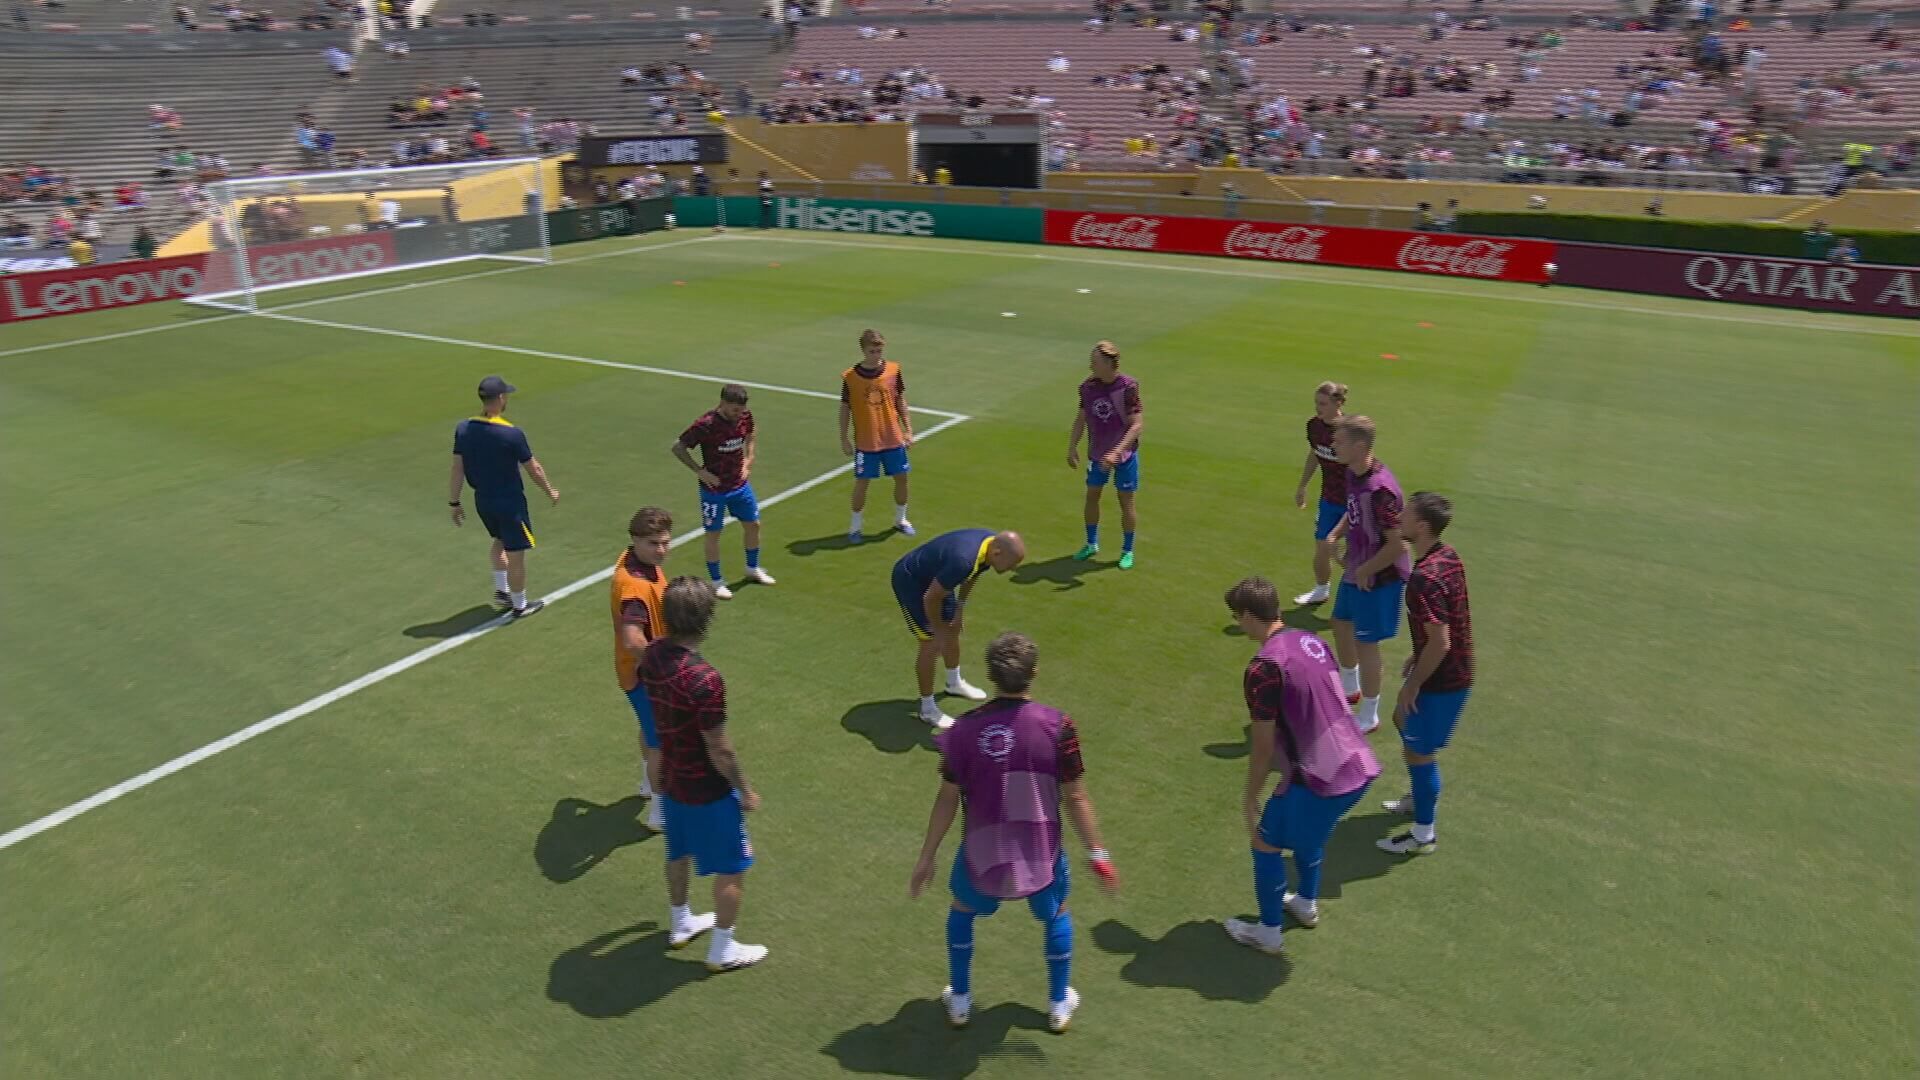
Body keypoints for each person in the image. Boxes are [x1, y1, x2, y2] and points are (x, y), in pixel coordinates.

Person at [909, 632, 1119, 1033]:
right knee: (1055, 913)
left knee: (963, 911)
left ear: (991, 676)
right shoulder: (1059, 726)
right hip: (1041, 851)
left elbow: (947, 798)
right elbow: (1076, 797)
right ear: (1033, 674)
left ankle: (961, 1000)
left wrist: (926, 857)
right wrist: (1098, 854)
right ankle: (1059, 1004)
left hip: (980, 851)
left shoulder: (963, 731)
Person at [1221, 577, 1380, 954]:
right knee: (1311, 837)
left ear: (1248, 615)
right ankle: (1305, 904)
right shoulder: (1309, 639)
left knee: (1265, 841)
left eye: (1236, 617)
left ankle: (1269, 932)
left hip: (1321, 780)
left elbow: (1261, 747)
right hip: (1358, 765)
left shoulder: (1262, 668)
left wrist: (1250, 797)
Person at [642, 576, 767, 972]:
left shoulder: (652, 656)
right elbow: (720, 749)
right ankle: (722, 950)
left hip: (670, 782)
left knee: (677, 852)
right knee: (732, 867)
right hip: (707, 791)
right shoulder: (705, 680)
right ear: (705, 618)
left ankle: (680, 923)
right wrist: (745, 790)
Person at [1378, 492, 1473, 855]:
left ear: (1421, 526)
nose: (1398, 518)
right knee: (1402, 719)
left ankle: (1423, 834)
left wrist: (1414, 682)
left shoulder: (1423, 580)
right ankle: (1419, 797)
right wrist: (1418, 655)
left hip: (1443, 680)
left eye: (1405, 514)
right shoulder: (1447, 555)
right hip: (1439, 666)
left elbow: (1442, 641)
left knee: (1420, 752)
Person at [1322, 415, 1409, 733]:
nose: (1333, 445)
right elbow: (1354, 509)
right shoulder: (1354, 472)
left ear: (1360, 447)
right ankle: (1349, 688)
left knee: (1366, 643)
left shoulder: (1380, 491)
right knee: (1340, 623)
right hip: (1359, 569)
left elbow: (1398, 544)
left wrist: (1367, 569)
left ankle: (1369, 715)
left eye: (1339, 441)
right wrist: (1336, 534)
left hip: (1379, 577)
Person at [891, 529, 1028, 729]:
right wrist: (937, 631)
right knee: (929, 644)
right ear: (998, 552)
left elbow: (972, 575)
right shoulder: (963, 560)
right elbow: (930, 598)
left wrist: (960, 608)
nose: (1012, 569)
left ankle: (953, 683)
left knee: (952, 629)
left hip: (938, 578)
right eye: (1012, 564)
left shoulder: (988, 546)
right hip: (911, 582)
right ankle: (927, 709)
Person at [448, 375, 559, 618]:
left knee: (499, 540)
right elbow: (534, 468)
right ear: (500, 398)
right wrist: (550, 490)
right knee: (516, 554)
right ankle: (519, 605)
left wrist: (454, 502)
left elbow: (458, 468)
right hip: (509, 503)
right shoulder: (511, 434)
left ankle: (502, 589)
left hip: (483, 501)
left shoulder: (463, 429)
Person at [673, 384, 775, 601]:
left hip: (739, 485)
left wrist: (749, 459)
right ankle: (716, 581)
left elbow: (750, 433)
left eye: (741, 411)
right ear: (722, 403)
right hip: (714, 490)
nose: (738, 415)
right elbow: (678, 447)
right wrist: (700, 472)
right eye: (733, 411)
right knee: (714, 534)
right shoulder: (706, 425)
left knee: (753, 525)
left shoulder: (745, 417)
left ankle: (752, 568)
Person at [613, 507, 674, 832]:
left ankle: (648, 786)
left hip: (636, 672)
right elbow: (633, 638)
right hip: (644, 675)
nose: (661, 550)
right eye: (653, 543)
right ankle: (660, 813)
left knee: (650, 731)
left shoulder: (634, 560)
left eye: (665, 542)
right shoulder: (634, 588)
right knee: (660, 743)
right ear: (635, 540)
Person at [1067, 341, 1144, 569]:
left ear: (1109, 364)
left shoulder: (1128, 387)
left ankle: (1127, 550)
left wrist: (1117, 452)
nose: (1091, 366)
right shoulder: (1088, 388)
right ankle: (1091, 543)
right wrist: (1072, 446)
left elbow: (1137, 425)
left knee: (1125, 501)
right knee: (1092, 496)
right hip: (1097, 455)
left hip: (1125, 456)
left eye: (1095, 362)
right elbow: (1080, 419)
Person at [839, 329, 917, 543]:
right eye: (872, 351)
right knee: (862, 483)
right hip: (866, 442)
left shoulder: (893, 371)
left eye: (879, 350)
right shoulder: (851, 377)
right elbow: (845, 408)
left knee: (902, 478)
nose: (876, 355)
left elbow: (901, 401)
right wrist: (844, 438)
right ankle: (855, 527)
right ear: (863, 350)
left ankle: (901, 519)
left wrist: (908, 430)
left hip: (893, 438)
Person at [1292, 381, 1349, 606]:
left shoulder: (1349, 431)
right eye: (1316, 403)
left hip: (1353, 501)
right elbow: (1315, 453)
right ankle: (1321, 589)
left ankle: (1367, 590)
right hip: (1329, 499)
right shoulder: (1314, 427)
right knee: (1323, 547)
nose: (1318, 408)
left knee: (1347, 556)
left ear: (1339, 403)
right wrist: (1302, 485)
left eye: (1323, 403)